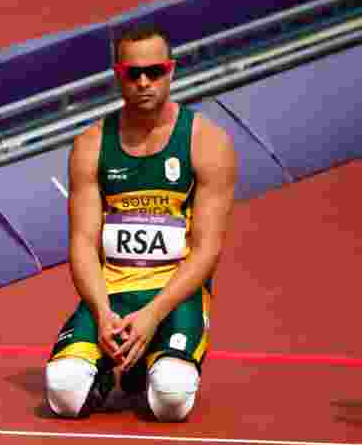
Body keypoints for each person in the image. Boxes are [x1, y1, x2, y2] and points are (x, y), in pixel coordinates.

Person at [44, 24, 237, 422]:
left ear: (172, 71)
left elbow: (206, 251)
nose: (144, 82)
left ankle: (148, 366)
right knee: (63, 393)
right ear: (118, 75)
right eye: (133, 73)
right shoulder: (92, 145)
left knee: (171, 399)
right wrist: (100, 313)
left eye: (155, 71)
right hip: (111, 295)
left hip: (175, 296)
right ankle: (106, 372)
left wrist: (153, 314)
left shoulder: (207, 142)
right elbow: (82, 242)